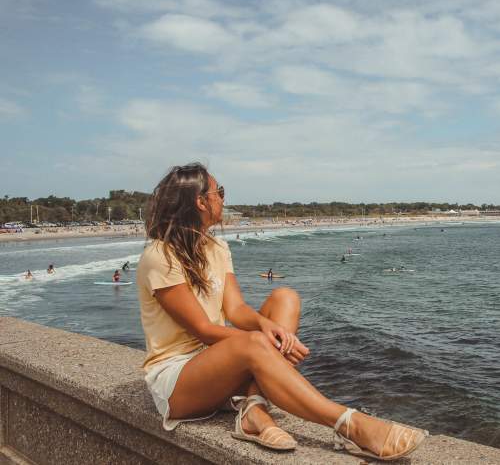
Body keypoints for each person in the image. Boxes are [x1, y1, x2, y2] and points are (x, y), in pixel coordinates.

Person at [136, 163, 427, 459]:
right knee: (254, 342)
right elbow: (203, 329)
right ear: (200, 202)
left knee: (285, 297)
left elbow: (236, 309)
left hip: (218, 367)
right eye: (219, 192)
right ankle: (349, 423)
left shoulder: (217, 248)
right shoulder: (160, 256)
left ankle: (254, 408)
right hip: (178, 380)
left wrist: (268, 327)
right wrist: (263, 341)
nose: (223, 199)